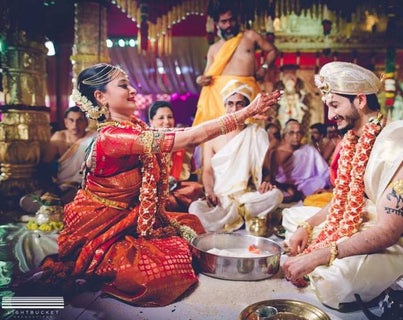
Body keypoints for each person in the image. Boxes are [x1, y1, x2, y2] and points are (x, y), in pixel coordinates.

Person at [37, 63, 280, 307]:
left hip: (131, 216)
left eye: (130, 84)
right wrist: (246, 112)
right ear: (100, 97)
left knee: (193, 225)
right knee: (159, 276)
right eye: (123, 86)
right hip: (103, 225)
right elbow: (191, 137)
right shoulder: (113, 137)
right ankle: (99, 266)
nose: (132, 90)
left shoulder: (134, 127)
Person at [281, 62, 403, 309]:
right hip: (366, 221)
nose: (330, 116)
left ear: (360, 101)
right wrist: (307, 226)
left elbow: (389, 231)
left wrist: (322, 254)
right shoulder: (353, 139)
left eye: (335, 105)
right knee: (293, 216)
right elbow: (342, 200)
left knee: (338, 283)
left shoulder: (399, 147)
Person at [189, 80, 283, 234]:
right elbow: (207, 171)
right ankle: (241, 218)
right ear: (225, 107)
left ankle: (230, 219)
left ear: (247, 107)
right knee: (195, 209)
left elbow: (265, 169)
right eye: (230, 104)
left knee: (276, 195)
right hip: (220, 199)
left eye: (240, 104)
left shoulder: (257, 133)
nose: (234, 109)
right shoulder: (214, 136)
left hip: (247, 196)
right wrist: (209, 192)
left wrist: (266, 182)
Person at [192, 2, 279, 125]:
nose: (228, 25)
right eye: (224, 22)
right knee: (222, 134)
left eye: (231, 20)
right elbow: (207, 75)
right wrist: (199, 80)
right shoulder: (214, 48)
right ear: (217, 24)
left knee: (249, 131)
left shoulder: (250, 36)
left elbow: (272, 51)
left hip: (247, 91)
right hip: (220, 98)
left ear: (237, 20)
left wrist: (264, 68)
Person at [19, 106, 96, 213]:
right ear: (66, 122)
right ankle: (55, 203)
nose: (75, 125)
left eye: (79, 120)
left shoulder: (93, 137)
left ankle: (55, 205)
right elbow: (45, 167)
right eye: (71, 120)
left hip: (82, 185)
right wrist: (49, 189)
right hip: (61, 185)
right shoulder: (59, 137)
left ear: (86, 122)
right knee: (26, 200)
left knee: (76, 195)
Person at [148, 101, 203, 212]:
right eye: (161, 118)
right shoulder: (145, 143)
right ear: (151, 121)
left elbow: (193, 175)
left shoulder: (184, 143)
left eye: (170, 117)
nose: (167, 122)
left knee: (195, 188)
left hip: (177, 191)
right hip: (151, 192)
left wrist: (172, 181)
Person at [272, 119, 330, 203]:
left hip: (306, 185)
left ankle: (299, 196)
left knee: (319, 182)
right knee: (274, 193)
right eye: (291, 133)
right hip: (284, 187)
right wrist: (286, 187)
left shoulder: (309, 150)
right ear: (285, 134)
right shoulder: (277, 152)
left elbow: (325, 171)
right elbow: (273, 178)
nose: (296, 136)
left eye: (298, 133)